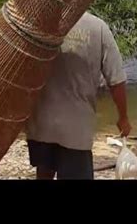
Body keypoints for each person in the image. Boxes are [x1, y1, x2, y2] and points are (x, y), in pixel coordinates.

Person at [25, 11, 131, 180]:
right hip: (76, 131)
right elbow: (116, 80)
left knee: (44, 173)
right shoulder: (98, 28)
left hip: (41, 126)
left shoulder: (42, 24)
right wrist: (123, 117)